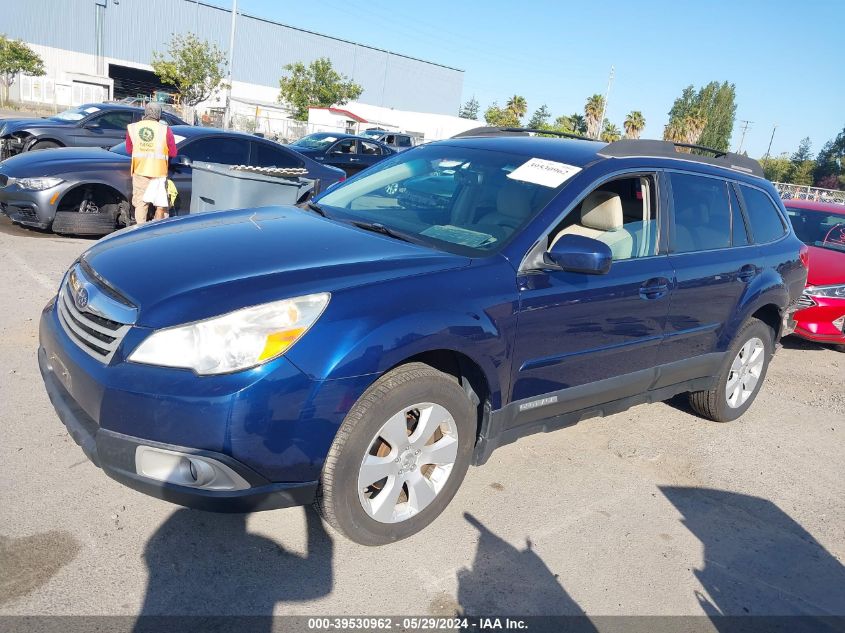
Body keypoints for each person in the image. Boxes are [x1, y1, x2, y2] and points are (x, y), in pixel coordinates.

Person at [125, 102, 177, 224]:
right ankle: (157, 233)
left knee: (141, 203)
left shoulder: (133, 128)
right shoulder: (165, 130)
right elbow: (173, 152)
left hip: (140, 170)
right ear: (159, 114)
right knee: (160, 204)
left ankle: (140, 230)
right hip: (159, 172)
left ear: (145, 113)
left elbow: (129, 149)